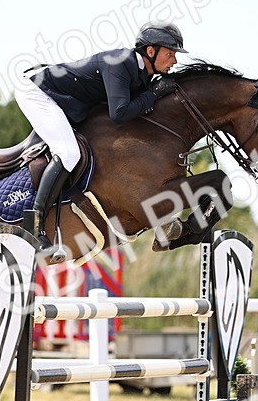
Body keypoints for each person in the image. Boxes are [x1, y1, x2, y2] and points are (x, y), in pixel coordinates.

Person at [14, 21, 186, 256]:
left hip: (63, 100)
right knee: (69, 153)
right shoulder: (122, 62)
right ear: (150, 51)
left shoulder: (141, 73)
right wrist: (154, 94)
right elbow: (120, 113)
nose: (174, 60)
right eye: (170, 53)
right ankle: (34, 228)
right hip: (36, 91)